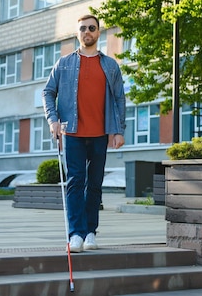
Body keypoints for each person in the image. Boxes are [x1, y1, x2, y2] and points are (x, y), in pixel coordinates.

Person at [42, 14, 126, 253]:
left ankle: (90, 232)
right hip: (73, 134)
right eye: (82, 28)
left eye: (92, 28)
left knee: (95, 185)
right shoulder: (64, 63)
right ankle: (76, 234)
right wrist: (53, 120)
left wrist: (118, 130)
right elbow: (48, 92)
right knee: (75, 182)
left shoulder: (110, 65)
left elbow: (120, 98)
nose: (87, 31)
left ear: (99, 32)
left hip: (100, 133)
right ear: (77, 33)